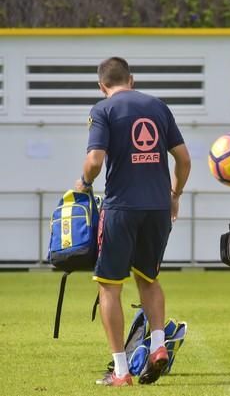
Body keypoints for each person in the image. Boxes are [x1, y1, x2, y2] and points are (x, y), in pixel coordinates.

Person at [74, 57, 191, 386]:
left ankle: (122, 371)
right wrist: (175, 194)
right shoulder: (158, 106)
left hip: (122, 208)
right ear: (132, 79)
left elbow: (95, 161)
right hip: (157, 208)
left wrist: (83, 182)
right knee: (149, 280)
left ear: (102, 86)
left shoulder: (102, 110)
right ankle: (156, 346)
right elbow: (183, 159)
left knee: (109, 287)